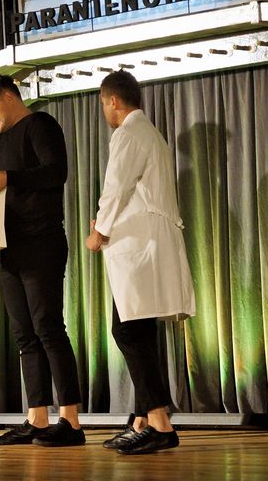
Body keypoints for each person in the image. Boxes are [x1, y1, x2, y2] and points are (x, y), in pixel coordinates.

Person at [0, 74, 85, 447]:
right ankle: (37, 418)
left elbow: (55, 172)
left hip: (42, 241)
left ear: (8, 96)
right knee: (24, 334)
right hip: (10, 246)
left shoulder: (40, 125)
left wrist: (9, 178)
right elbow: (1, 187)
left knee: (48, 327)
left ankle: (71, 420)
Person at [84, 70, 196, 455]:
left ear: (113, 101)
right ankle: (142, 421)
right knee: (140, 330)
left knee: (128, 331)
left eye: (103, 104)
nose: (104, 112)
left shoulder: (128, 133)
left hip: (138, 244)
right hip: (148, 241)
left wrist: (99, 231)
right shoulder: (151, 133)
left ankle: (160, 423)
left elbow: (116, 186)